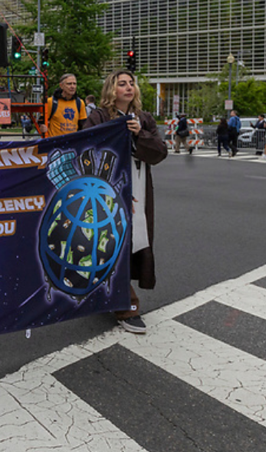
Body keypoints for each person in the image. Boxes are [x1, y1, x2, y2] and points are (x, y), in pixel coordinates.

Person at [81, 69, 167, 334]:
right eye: (122, 84)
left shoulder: (143, 118)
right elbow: (86, 150)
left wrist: (140, 133)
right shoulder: (99, 117)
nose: (128, 87)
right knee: (112, 241)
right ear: (111, 89)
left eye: (131, 83)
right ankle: (127, 305)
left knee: (134, 241)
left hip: (138, 189)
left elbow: (159, 153)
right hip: (109, 189)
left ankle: (113, 294)